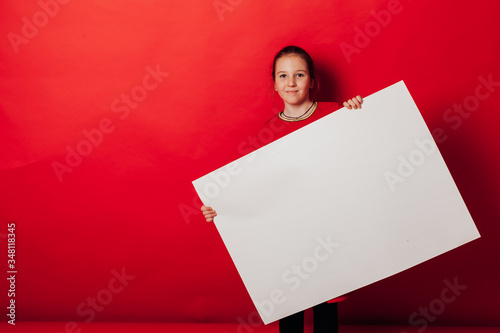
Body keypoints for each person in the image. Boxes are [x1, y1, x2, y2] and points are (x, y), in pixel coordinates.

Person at [201, 45, 363, 333]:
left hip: (327, 230)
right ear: (274, 83)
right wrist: (221, 208)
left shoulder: (336, 113)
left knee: (326, 306)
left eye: (299, 75)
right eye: (283, 76)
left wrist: (358, 112)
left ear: (311, 80)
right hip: (287, 237)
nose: (291, 83)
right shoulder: (265, 134)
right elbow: (253, 190)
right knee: (291, 304)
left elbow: (359, 156)